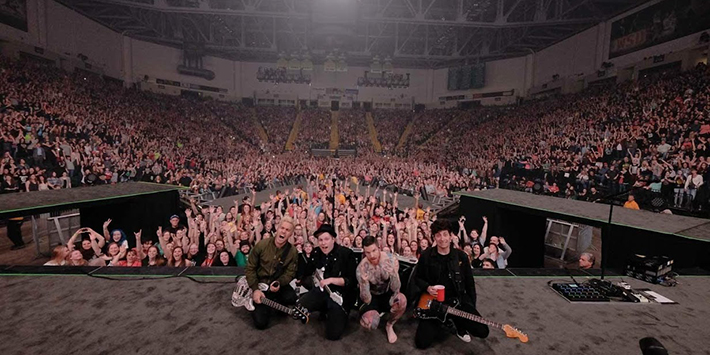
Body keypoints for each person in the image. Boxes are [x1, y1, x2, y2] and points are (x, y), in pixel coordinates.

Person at [413, 220, 489, 349]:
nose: (442, 239)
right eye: (438, 235)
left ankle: (458, 321)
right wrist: (427, 288)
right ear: (434, 237)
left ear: (450, 235)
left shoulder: (461, 257)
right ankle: (444, 320)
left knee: (482, 331)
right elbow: (417, 278)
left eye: (445, 234)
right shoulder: (426, 256)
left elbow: (470, 285)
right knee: (422, 343)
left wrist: (471, 309)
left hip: (458, 300)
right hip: (435, 303)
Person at [298, 224, 357, 340]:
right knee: (301, 307)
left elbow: (352, 281)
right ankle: (324, 309)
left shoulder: (346, 254)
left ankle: (337, 314)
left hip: (340, 295)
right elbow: (306, 273)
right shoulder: (315, 253)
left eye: (326, 239)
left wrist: (331, 280)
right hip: (321, 291)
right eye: (320, 240)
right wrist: (312, 282)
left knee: (333, 335)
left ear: (333, 239)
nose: (323, 243)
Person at [245, 216, 299, 330]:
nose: (283, 231)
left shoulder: (292, 251)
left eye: (287, 230)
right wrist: (255, 289)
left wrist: (279, 282)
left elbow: (290, 273)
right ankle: (258, 301)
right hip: (260, 284)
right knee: (260, 324)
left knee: (291, 297)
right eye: (282, 228)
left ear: (291, 234)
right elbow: (250, 268)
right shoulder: (261, 245)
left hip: (276, 283)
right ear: (277, 229)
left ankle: (274, 303)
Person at [357, 236, 407, 343]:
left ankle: (389, 325)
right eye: (368, 252)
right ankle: (375, 313)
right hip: (372, 297)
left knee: (401, 300)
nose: (372, 255)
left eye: (374, 250)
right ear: (364, 252)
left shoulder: (390, 259)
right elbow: (366, 299)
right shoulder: (361, 268)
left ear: (379, 247)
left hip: (387, 293)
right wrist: (364, 282)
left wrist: (393, 274)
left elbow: (396, 288)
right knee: (370, 323)